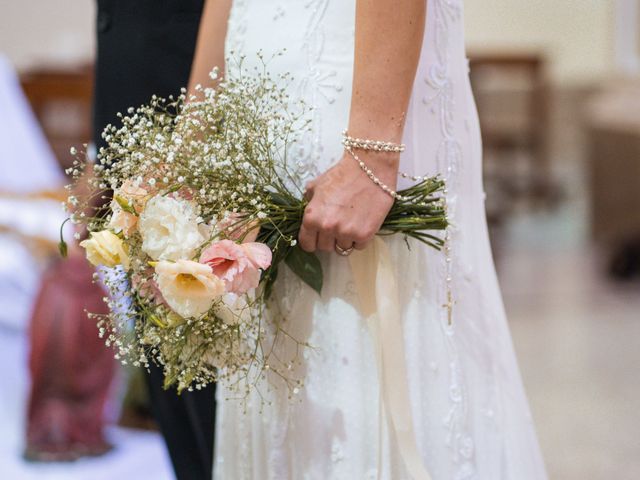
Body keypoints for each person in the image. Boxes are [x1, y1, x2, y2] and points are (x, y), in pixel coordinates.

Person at [187, 1, 548, 479]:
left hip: (357, 80)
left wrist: (371, 153)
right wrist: (190, 142)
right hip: (262, 65)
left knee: (374, 345)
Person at [92, 1, 215, 479]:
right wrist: (100, 156)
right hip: (130, 145)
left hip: (197, 131)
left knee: (208, 375)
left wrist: (190, 149)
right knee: (167, 380)